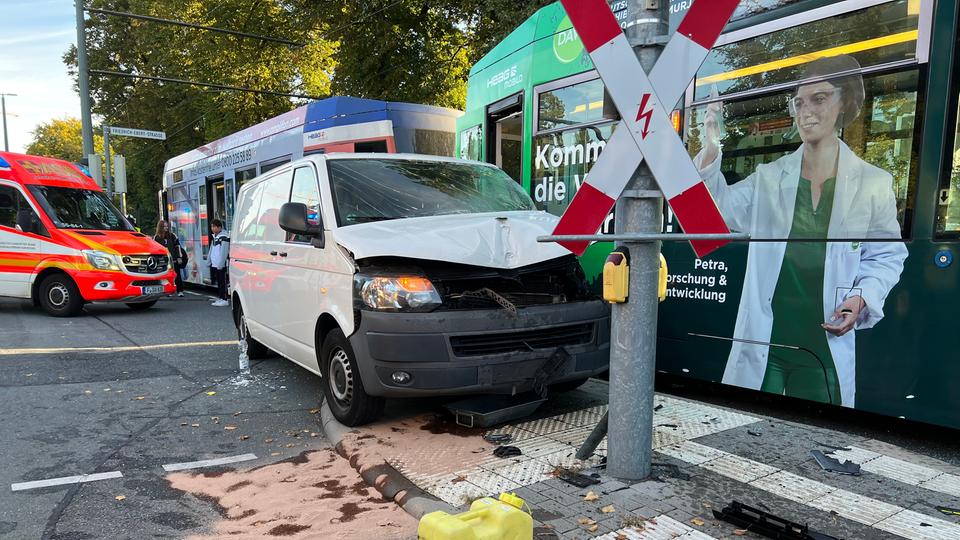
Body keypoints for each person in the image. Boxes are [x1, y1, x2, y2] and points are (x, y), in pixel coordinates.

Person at [696, 54, 908, 407]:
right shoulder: (769, 177)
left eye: (819, 98)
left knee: (817, 438)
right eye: (799, 102)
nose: (806, 110)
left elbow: (887, 256)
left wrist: (861, 298)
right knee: (747, 429)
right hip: (767, 340)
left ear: (845, 103)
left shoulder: (873, 182)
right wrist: (711, 148)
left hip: (824, 344)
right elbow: (715, 214)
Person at [154, 220, 184, 296]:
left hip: (173, 259)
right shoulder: (156, 238)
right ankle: (168, 291)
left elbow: (178, 247)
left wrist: (179, 257)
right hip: (162, 261)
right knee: (166, 277)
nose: (166, 228)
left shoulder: (172, 236)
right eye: (164, 226)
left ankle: (180, 291)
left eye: (167, 226)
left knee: (177, 275)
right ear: (160, 227)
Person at [209, 219, 230, 307]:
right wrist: (209, 261)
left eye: (214, 226)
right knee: (219, 281)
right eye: (212, 226)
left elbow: (224, 252)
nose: (212, 228)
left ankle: (224, 299)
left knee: (223, 282)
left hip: (221, 265)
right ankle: (221, 297)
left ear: (219, 227)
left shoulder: (224, 237)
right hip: (216, 264)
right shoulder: (215, 237)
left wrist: (221, 264)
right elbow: (211, 250)